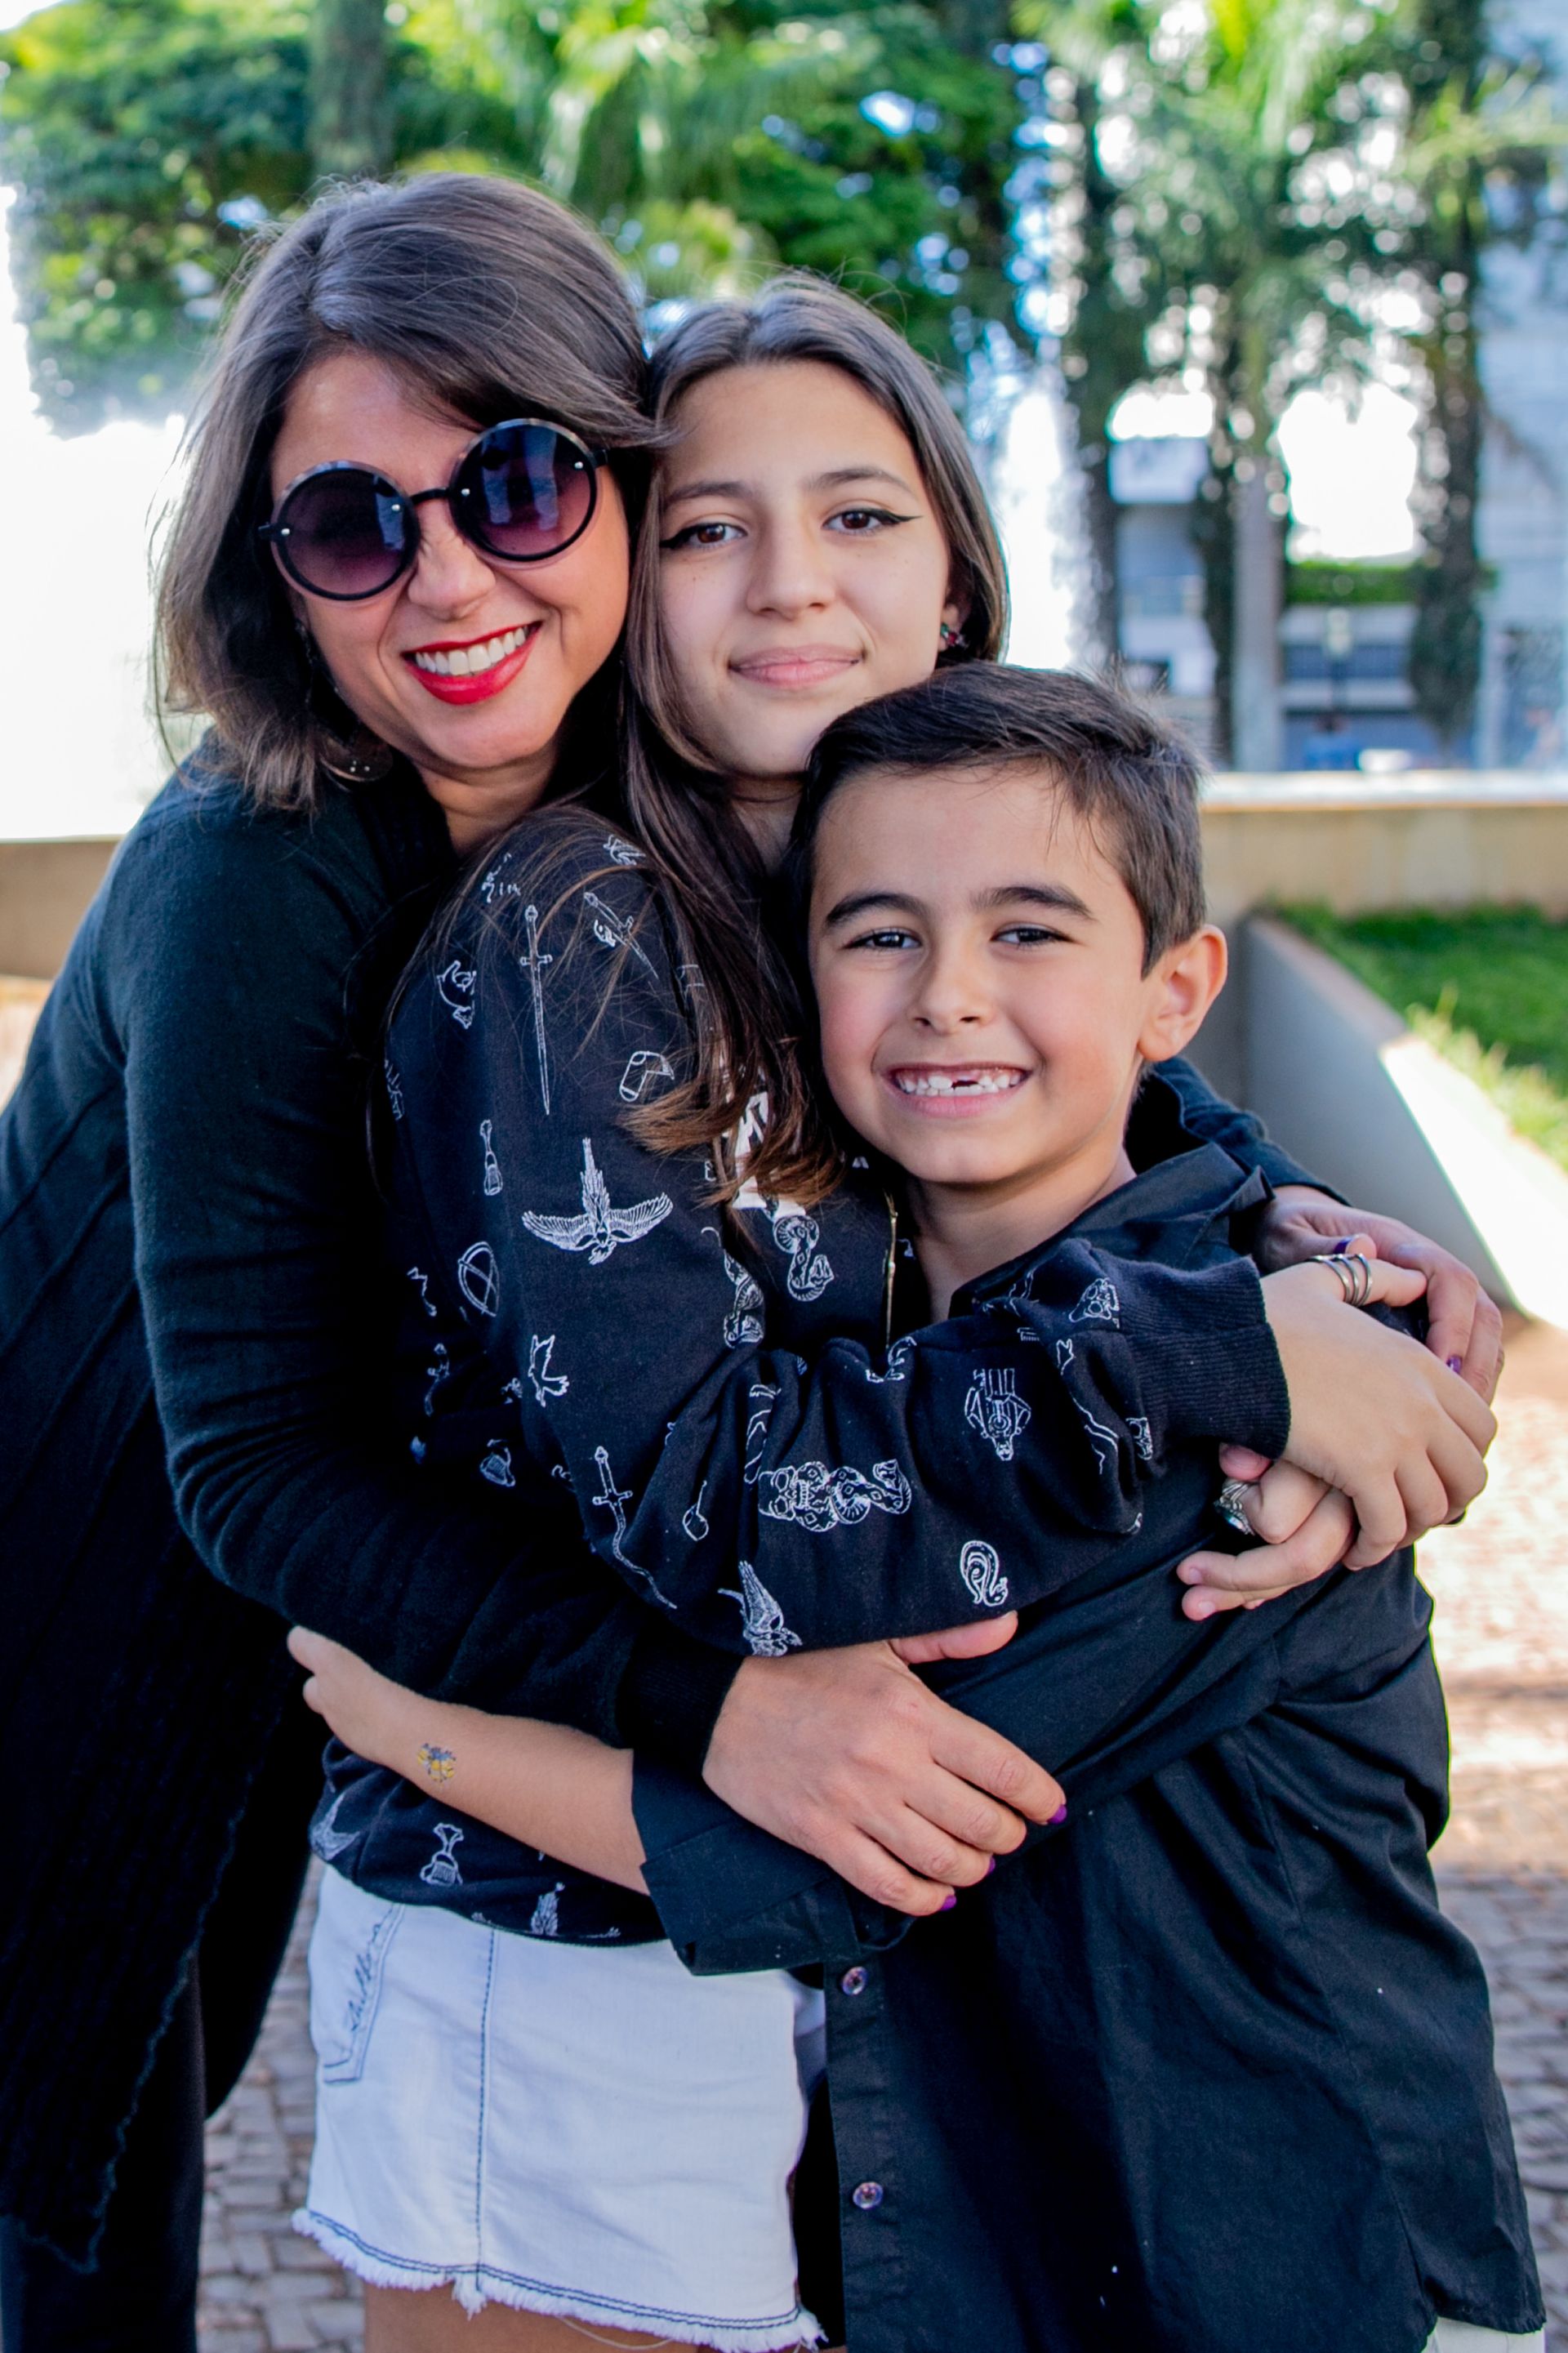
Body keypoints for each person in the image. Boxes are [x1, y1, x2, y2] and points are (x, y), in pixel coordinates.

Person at [0, 200, 1492, 2346]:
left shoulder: (684, 783)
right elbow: (251, 1478)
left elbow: (978, 1039)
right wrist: (716, 1716)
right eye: (349, 527)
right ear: (269, 568)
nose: (450, 576)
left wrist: (1267, 1224)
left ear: (598, 481)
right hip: (98, 1610)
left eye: (516, 484)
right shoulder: (287, 862)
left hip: (396, 1668)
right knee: (67, 2173)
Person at [301, 666, 1539, 2353]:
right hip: (1033, 2256)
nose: (951, 995)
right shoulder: (901, 1348)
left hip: (1289, 2267)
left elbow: (822, 1847)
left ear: (1175, 990)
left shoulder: (1218, 1427)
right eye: (879, 934)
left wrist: (410, 1722)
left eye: (1030, 932)